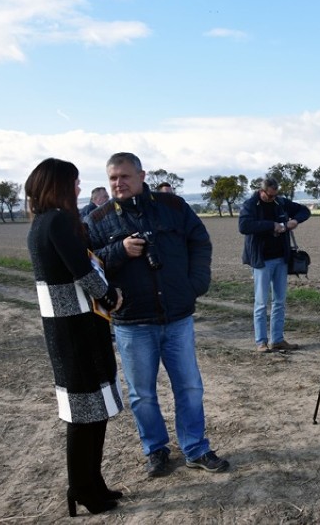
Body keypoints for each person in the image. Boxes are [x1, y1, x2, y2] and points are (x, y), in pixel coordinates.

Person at [85, 152, 229, 477]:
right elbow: (88, 264)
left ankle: (196, 447)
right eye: (113, 178)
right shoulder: (98, 219)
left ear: (141, 175)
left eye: (124, 176)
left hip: (177, 317)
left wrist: (195, 284)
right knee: (142, 395)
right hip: (132, 323)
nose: (118, 183)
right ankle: (156, 450)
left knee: (190, 387)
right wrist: (118, 251)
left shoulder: (174, 206)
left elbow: (200, 242)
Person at [25, 158, 124, 516]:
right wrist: (110, 295)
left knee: (88, 412)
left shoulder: (40, 223)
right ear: (59, 185)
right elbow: (82, 270)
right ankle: (82, 488)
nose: (79, 189)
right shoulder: (58, 222)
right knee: (85, 416)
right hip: (77, 330)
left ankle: (91, 483)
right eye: (75, 183)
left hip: (66, 329)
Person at [239, 177, 311, 352]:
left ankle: (277, 339)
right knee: (261, 302)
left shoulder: (280, 202)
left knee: (279, 301)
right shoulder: (250, 205)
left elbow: (304, 211)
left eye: (275, 195)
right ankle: (261, 342)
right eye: (269, 196)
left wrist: (295, 221)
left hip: (281, 259)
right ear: (261, 191)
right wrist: (272, 225)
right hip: (262, 260)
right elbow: (244, 226)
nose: (272, 199)